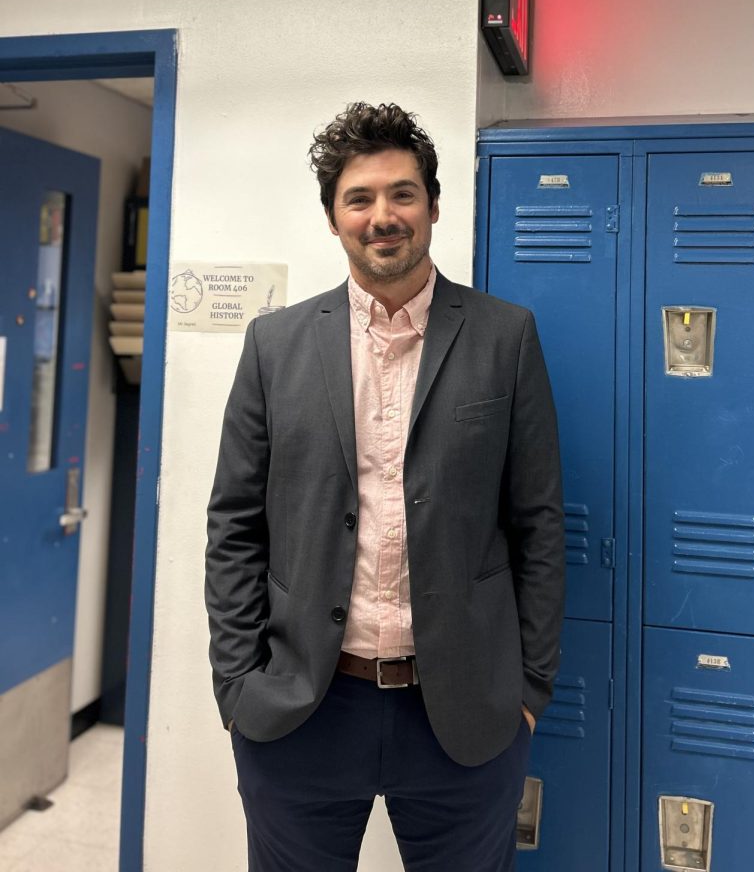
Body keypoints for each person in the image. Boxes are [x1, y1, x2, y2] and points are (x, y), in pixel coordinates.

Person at [206, 102, 564, 872]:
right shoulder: (276, 344)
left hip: (463, 714)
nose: (383, 216)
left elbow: (538, 523)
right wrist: (238, 683)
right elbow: (234, 523)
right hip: (304, 706)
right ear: (334, 218)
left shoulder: (505, 337)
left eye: (403, 194)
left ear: (434, 206)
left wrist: (528, 688)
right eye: (360, 198)